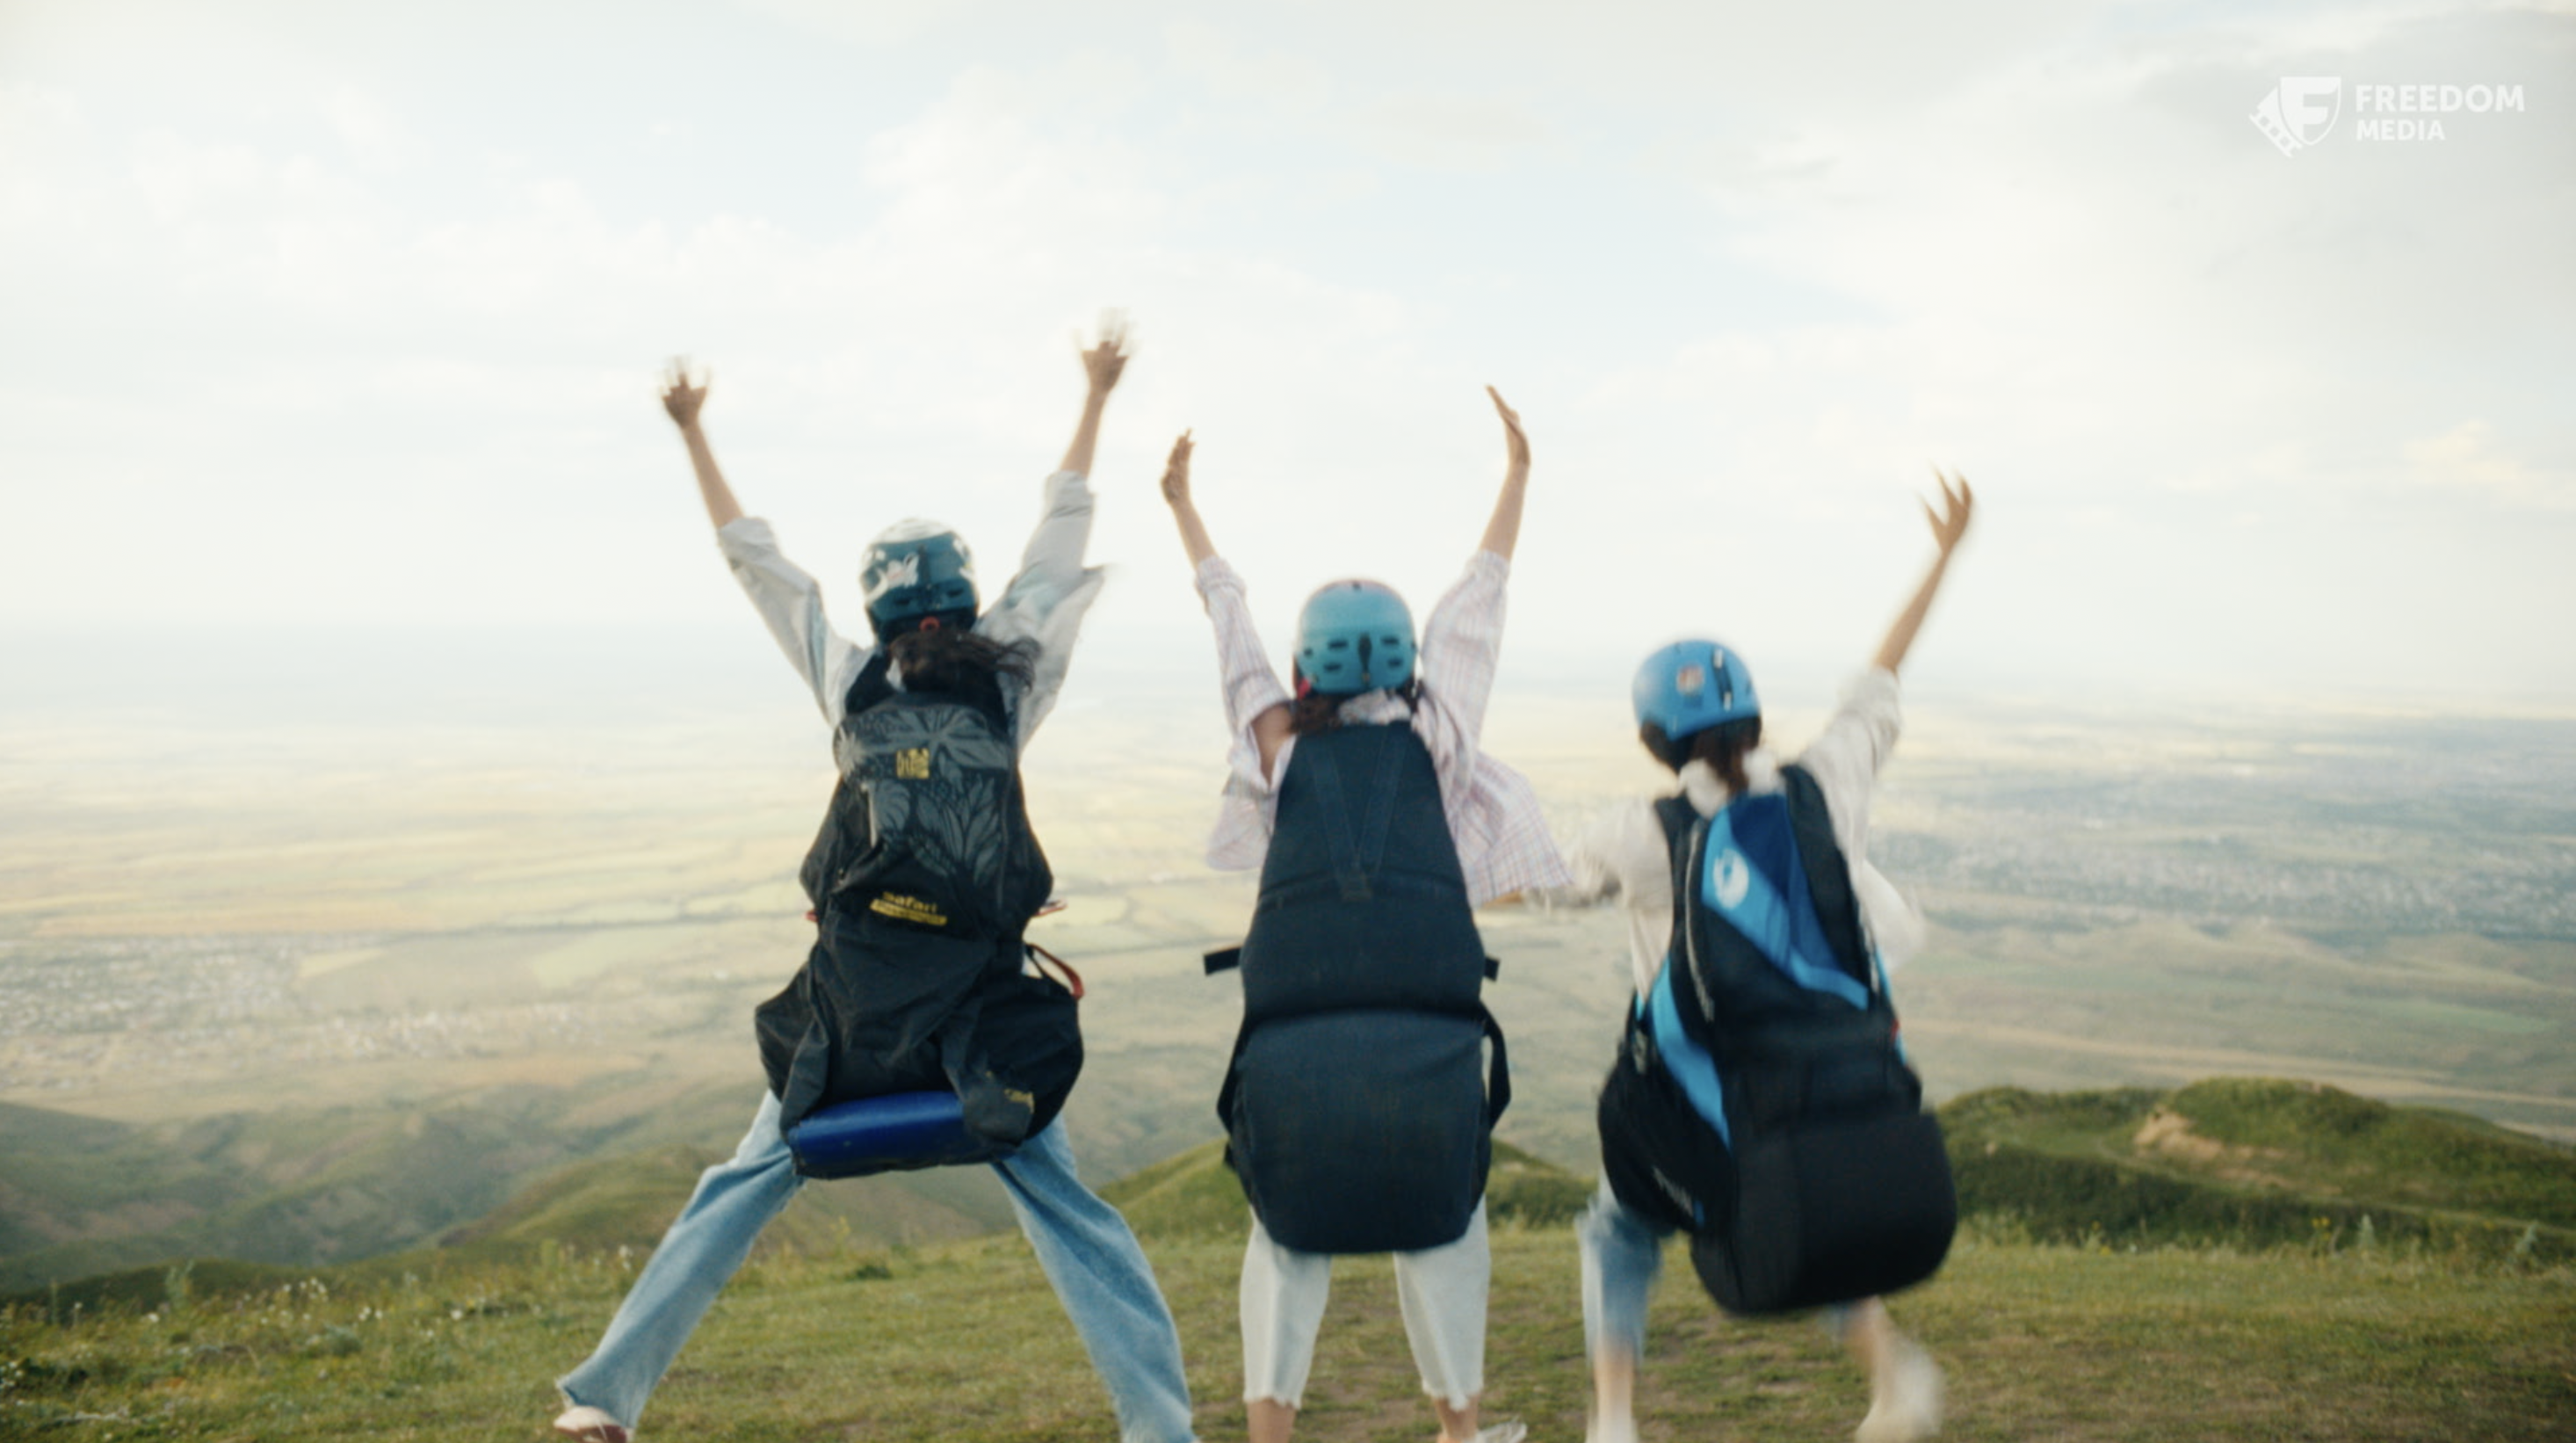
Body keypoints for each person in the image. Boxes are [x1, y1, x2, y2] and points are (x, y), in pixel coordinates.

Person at [551, 322, 1198, 1443]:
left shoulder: (849, 684)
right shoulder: (1011, 677)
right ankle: (1161, 1429)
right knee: (1072, 1214)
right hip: (981, 1016)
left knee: (739, 1185)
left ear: (879, 610)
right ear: (963, 596)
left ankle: (604, 1399)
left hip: (852, 1013)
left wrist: (693, 430)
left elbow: (759, 566)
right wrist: (1096, 393)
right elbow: (1061, 533)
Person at [1155, 389, 1571, 1443]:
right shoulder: (1439, 740)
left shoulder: (1274, 746)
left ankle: (1269, 1435)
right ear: (1405, 663)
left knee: (1284, 1238)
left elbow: (1230, 628)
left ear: (1308, 666)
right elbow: (1478, 606)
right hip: (1431, 1047)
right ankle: (1460, 1432)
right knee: (1445, 1229)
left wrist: (1184, 508)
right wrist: (1516, 475)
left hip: (1290, 1051)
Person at [1547, 473, 1974, 1443]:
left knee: (1621, 1223)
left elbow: (1533, 884)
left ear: (1654, 742)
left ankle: (1613, 1420)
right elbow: (1879, 684)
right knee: (1800, 1197)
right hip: (1831, 1075)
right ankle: (1893, 1381)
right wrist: (1942, 553)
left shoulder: (1644, 834)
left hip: (1706, 1096)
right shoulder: (1824, 783)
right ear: (1753, 715)